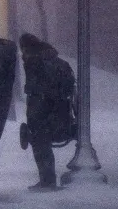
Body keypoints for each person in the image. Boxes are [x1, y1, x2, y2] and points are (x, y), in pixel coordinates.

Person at [18, 32, 77, 191]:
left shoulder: (35, 62)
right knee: (41, 144)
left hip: (43, 112)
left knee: (40, 144)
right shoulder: (57, 62)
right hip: (59, 112)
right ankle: (47, 179)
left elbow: (40, 90)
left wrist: (39, 112)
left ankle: (47, 180)